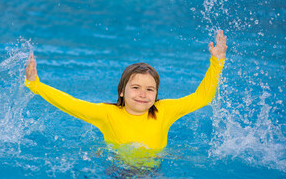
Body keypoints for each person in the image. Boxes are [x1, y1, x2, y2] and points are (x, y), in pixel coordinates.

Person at [25, 30, 227, 167]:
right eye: (136, 87)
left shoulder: (165, 111)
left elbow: (202, 97)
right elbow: (71, 104)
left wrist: (217, 61)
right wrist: (36, 85)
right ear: (122, 91)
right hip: (117, 172)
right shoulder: (107, 114)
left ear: (156, 94)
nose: (143, 94)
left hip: (153, 173)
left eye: (150, 89)